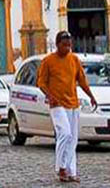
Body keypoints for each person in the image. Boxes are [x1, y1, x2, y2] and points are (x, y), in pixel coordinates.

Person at [37, 31, 96, 184]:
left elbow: (82, 80)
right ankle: (61, 167)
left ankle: (71, 171)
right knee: (65, 133)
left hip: (73, 103)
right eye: (64, 45)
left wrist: (91, 95)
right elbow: (41, 83)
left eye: (69, 45)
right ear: (57, 45)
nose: (67, 48)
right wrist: (50, 96)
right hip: (57, 105)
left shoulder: (74, 59)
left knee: (73, 139)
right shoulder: (48, 61)